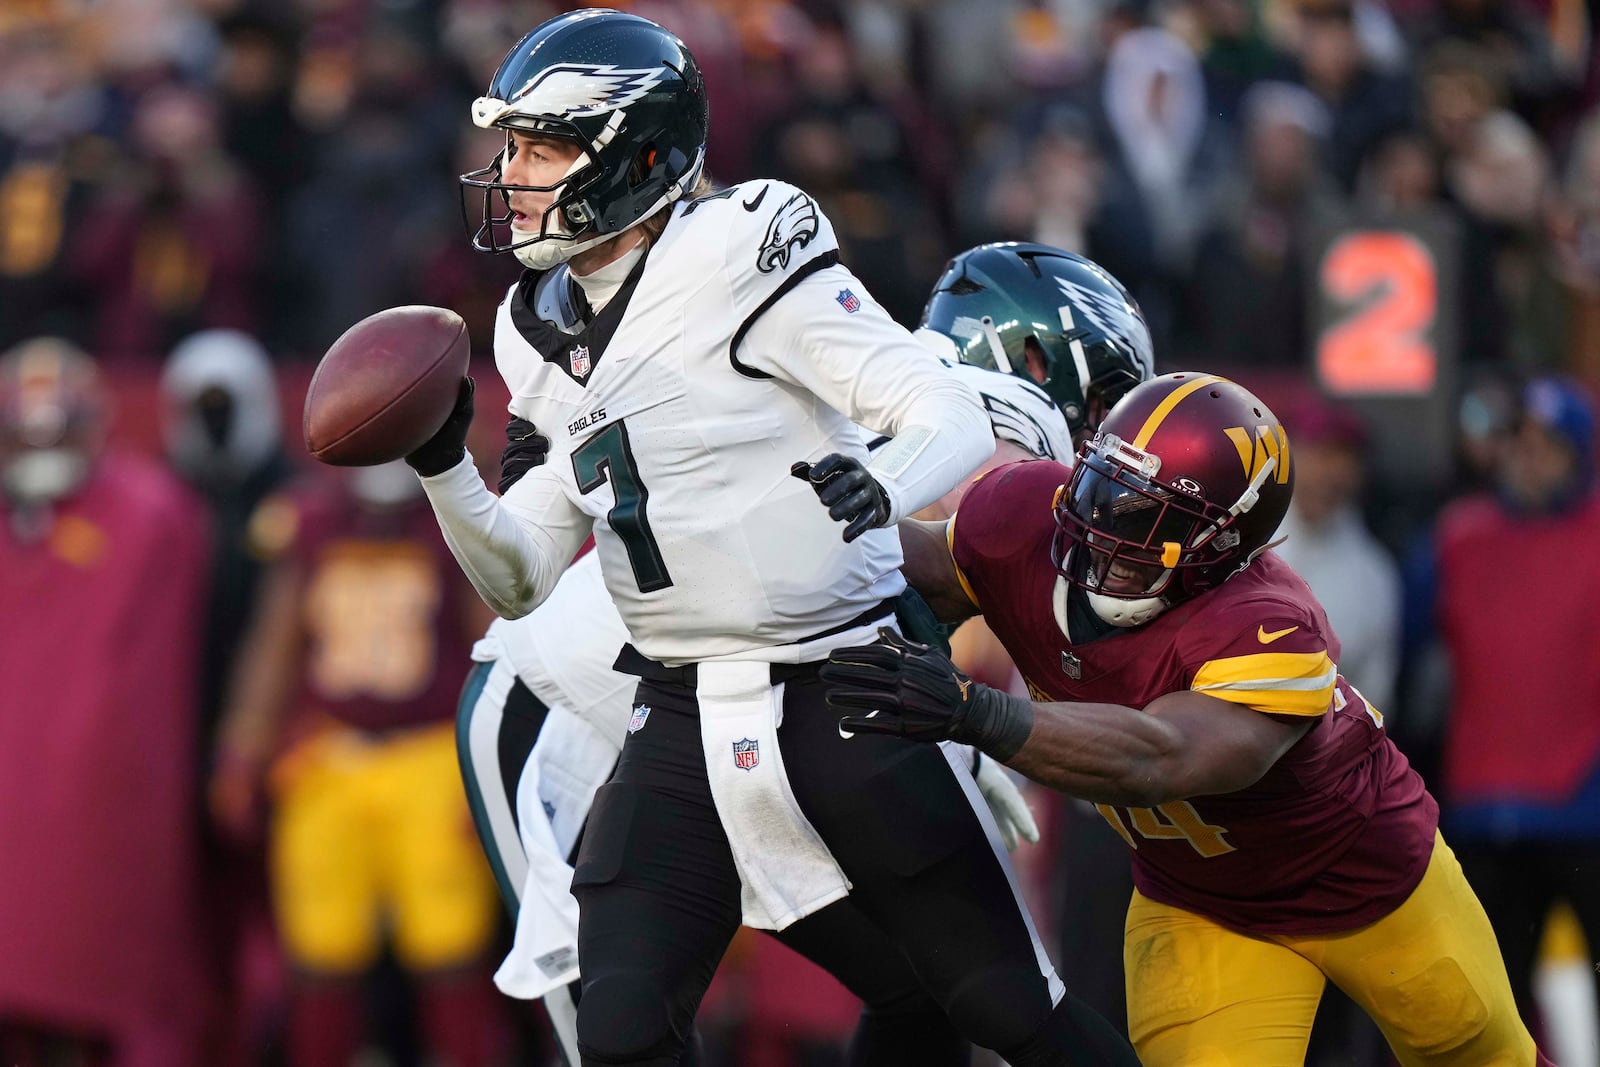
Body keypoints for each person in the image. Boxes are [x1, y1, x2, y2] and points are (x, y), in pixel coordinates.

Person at [405, 10, 1139, 1065]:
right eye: (511, 146)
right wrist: (440, 465)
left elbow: (939, 414)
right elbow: (521, 577)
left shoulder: (745, 242)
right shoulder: (530, 322)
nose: (512, 174)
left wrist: (878, 488)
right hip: (656, 700)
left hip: (832, 681)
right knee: (616, 1030)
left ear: (640, 155)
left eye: (543, 146)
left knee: (992, 1002)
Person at [819, 372, 1552, 1066]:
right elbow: (933, 569)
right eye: (1102, 485)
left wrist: (975, 712)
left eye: (1141, 513)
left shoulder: (1269, 628)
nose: (1100, 523)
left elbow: (1160, 757)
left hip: (1370, 885)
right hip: (1202, 905)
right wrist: (831, 513)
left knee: (1484, 1053)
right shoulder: (1025, 513)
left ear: (1219, 544)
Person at [208, 461, 505, 1067]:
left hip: (432, 753)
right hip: (329, 754)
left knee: (451, 945)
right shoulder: (313, 521)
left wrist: (499, 763)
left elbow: (499, 649)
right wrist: (244, 746)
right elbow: (276, 645)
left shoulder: (451, 518)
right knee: (321, 950)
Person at [0, 339, 211, 1067]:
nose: (40, 443)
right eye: (25, 428)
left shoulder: (150, 512)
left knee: (107, 975)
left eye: (56, 424)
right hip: (21, 801)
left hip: (104, 803)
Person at [1431, 376, 1600, 1041]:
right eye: (1520, 443)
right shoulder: (1457, 539)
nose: (1531, 458)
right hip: (1483, 807)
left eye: (1549, 445)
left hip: (1587, 809)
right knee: (1491, 1018)